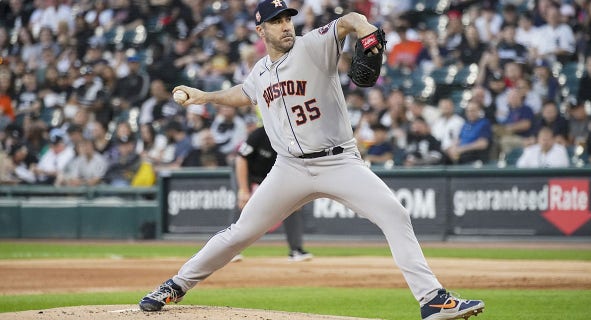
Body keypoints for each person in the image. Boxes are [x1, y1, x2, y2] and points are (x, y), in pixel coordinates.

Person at [138, 2, 484, 320]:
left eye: (288, 18)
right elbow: (246, 93)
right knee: (240, 233)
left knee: (395, 214)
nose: (285, 25)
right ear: (261, 31)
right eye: (276, 22)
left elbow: (348, 20)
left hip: (339, 162)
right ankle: (175, 285)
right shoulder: (260, 72)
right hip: (290, 168)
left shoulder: (313, 46)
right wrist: (207, 97)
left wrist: (364, 30)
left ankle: (432, 300)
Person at [235, 125, 313, 261]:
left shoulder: (294, 138)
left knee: (293, 206)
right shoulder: (259, 133)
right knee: (243, 203)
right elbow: (241, 158)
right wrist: (243, 189)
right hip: (250, 174)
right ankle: (232, 250)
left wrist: (297, 194)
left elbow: (299, 166)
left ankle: (296, 250)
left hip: (275, 177)